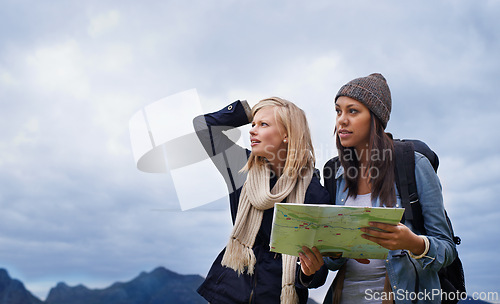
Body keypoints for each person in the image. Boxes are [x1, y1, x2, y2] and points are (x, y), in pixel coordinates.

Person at [297, 73, 457, 304]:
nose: (341, 120)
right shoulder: (334, 172)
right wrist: (320, 259)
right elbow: (334, 261)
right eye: (338, 111)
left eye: (352, 111)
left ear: (376, 118)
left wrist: (413, 242)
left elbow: (447, 249)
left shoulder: (414, 164)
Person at [193, 97, 330, 304]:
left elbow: (319, 273)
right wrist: (247, 112)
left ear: (287, 134)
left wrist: (309, 272)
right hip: (229, 295)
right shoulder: (240, 167)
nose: (252, 130)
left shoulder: (313, 193)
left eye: (263, 124)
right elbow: (204, 125)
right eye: (253, 124)